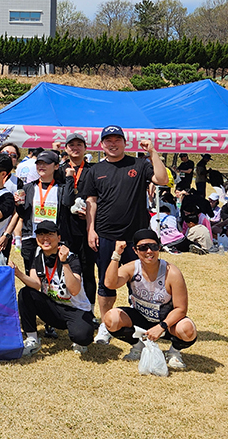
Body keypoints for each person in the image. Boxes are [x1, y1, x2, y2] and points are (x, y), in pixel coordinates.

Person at [85, 128, 168, 345]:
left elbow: (162, 179)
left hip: (136, 238)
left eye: (117, 140)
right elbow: (91, 202)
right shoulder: (95, 170)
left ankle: (140, 324)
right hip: (106, 235)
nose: (113, 144)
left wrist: (153, 152)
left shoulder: (139, 165)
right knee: (106, 282)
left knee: (140, 283)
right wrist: (91, 229)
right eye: (108, 141)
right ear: (102, 145)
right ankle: (106, 324)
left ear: (125, 143)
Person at [103, 229, 197, 369]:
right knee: (111, 318)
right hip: (140, 317)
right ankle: (137, 347)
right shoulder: (132, 268)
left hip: (166, 321)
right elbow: (110, 284)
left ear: (159, 248)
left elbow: (181, 309)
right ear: (135, 250)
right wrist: (116, 255)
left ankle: (174, 352)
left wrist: (161, 327)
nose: (149, 251)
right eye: (143, 248)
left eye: (153, 246)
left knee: (187, 330)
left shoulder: (172, 273)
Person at [11, 220, 96, 356]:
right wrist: (18, 273)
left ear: (59, 237)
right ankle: (32, 339)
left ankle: (80, 337)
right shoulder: (38, 255)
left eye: (50, 234)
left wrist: (64, 262)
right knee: (25, 293)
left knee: (82, 336)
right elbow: (36, 284)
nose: (45, 238)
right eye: (41, 234)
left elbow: (74, 290)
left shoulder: (71, 257)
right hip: (54, 308)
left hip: (76, 309)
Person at [56, 132, 97, 307]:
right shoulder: (59, 170)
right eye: (71, 145)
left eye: (79, 144)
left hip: (86, 228)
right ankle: (66, 306)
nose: (75, 148)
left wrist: (90, 212)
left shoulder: (93, 170)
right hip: (64, 227)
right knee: (65, 267)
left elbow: (100, 196)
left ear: (85, 148)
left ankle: (89, 308)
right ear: (66, 149)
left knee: (88, 270)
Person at [15, 150, 71, 273]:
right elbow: (23, 214)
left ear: (56, 166)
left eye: (46, 163)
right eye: (39, 163)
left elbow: (68, 205)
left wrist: (69, 179)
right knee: (31, 274)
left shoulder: (61, 188)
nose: (41, 166)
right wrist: (18, 205)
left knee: (53, 274)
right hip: (32, 237)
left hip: (53, 238)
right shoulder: (28, 188)